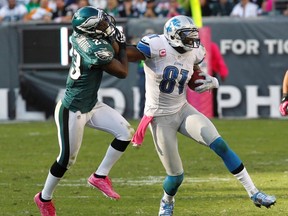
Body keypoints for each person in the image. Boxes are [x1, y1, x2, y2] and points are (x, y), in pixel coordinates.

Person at [125, 15, 276, 215]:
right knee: (176, 177)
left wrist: (212, 81)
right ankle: (167, 201)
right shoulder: (156, 45)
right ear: (173, 35)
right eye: (187, 36)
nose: (193, 40)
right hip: (160, 117)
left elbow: (193, 76)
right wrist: (114, 44)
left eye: (193, 35)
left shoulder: (194, 52)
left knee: (220, 144)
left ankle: (254, 192)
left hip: (183, 109)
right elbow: (129, 54)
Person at [34, 6, 134, 216]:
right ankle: (44, 198)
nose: (105, 24)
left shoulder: (84, 36)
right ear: (90, 29)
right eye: (100, 23)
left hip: (91, 104)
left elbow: (112, 49)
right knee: (67, 160)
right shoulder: (92, 48)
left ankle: (99, 176)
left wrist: (114, 39)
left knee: (125, 132)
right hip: (73, 109)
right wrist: (123, 44)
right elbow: (122, 71)